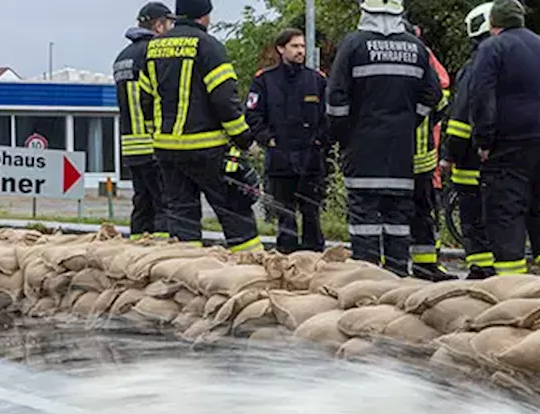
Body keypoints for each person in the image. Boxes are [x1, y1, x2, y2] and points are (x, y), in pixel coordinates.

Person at [327, 0, 442, 274]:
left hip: (362, 148)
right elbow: (433, 93)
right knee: (399, 218)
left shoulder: (354, 45)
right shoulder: (416, 47)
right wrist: (410, 120)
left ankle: (367, 278)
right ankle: (397, 277)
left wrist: (342, 134)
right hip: (401, 150)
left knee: (363, 216)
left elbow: (335, 97)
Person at [137, 0, 259, 251]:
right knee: (234, 210)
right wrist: (244, 138)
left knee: (182, 218)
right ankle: (250, 272)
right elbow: (225, 100)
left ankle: (186, 276)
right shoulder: (209, 47)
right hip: (207, 149)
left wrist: (156, 134)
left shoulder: (154, 48)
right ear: (204, 16)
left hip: (167, 151)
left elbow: (145, 99)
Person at [470, 0, 540, 276]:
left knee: (505, 210)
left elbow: (482, 96)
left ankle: (511, 286)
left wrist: (484, 141)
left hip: (514, 140)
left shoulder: (492, 47)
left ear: (493, 24)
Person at [245, 28, 330, 254]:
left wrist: (321, 142)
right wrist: (267, 139)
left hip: (310, 158)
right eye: (294, 46)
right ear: (281, 49)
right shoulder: (265, 80)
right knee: (285, 213)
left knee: (311, 212)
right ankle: (287, 255)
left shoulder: (316, 80)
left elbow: (328, 115)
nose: (300, 51)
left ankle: (313, 255)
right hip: (280, 157)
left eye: (302, 46)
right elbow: (252, 115)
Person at [442, 3, 494, 279]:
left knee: (473, 217)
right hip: (505, 158)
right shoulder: (514, 61)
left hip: (471, 159)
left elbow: (461, 117)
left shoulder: (474, 68)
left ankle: (480, 269)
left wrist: (450, 154)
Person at [113, 2, 172, 239]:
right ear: (158, 25)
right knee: (164, 204)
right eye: (169, 23)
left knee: (142, 203)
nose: (171, 29)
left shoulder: (122, 57)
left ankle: (135, 254)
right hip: (153, 142)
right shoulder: (153, 53)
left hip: (130, 144)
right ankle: (159, 257)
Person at [408, 23, 453, 281]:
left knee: (392, 210)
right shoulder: (424, 56)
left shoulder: (421, 55)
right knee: (422, 211)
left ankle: (390, 265)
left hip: (392, 152)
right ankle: (425, 266)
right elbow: (441, 99)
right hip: (422, 153)